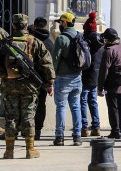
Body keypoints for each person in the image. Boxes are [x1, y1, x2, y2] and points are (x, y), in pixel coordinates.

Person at [0, 14, 55, 159]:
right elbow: (46, 64)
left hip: (9, 85)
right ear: (26, 25)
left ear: (13, 25)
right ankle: (30, 150)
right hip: (29, 87)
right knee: (28, 116)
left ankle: (9, 151)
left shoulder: (6, 43)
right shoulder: (35, 42)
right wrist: (50, 83)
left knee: (10, 117)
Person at [52, 12, 83, 146]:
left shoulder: (61, 39)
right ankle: (77, 137)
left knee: (61, 106)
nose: (59, 25)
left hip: (63, 78)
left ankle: (60, 137)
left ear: (65, 23)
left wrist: (52, 76)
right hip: (77, 76)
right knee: (76, 107)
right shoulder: (79, 36)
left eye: (60, 22)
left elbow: (55, 60)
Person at [98, 28, 121, 139]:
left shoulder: (108, 51)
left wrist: (100, 87)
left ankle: (115, 131)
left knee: (112, 108)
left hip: (111, 85)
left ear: (108, 39)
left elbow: (104, 71)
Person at [28, 17, 54, 140]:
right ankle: (37, 131)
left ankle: (24, 130)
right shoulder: (50, 42)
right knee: (40, 105)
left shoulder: (31, 40)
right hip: (44, 80)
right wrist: (50, 83)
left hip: (29, 79)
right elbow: (50, 65)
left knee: (27, 104)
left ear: (35, 25)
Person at [81, 12, 104, 137]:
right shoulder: (101, 43)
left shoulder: (84, 41)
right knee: (93, 101)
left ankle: (84, 128)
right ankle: (96, 126)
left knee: (83, 101)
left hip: (85, 75)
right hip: (96, 76)